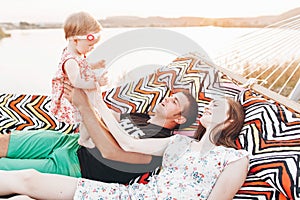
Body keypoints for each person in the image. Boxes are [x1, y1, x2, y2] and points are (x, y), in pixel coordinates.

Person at [0, 86, 249, 199]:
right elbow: (127, 143)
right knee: (28, 181)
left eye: (216, 106)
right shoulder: (177, 143)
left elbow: (112, 151)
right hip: (128, 194)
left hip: (80, 166)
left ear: (229, 122)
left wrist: (88, 105)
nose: (209, 106)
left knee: (25, 188)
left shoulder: (235, 158)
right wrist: (94, 98)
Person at [0, 90, 198, 181]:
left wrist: (85, 106)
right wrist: (92, 90)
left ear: (179, 119)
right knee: (5, 141)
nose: (167, 99)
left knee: (5, 169)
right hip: (69, 141)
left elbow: (111, 152)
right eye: (171, 96)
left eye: (174, 102)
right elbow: (108, 116)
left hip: (76, 166)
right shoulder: (142, 117)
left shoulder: (161, 145)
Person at [51, 11, 107, 148]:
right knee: (89, 117)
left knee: (91, 116)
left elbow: (82, 64)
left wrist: (95, 65)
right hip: (73, 97)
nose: (92, 48)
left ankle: (87, 136)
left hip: (79, 94)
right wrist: (96, 83)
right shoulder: (70, 61)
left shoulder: (75, 54)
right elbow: (77, 81)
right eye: (89, 45)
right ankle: (84, 139)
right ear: (75, 40)